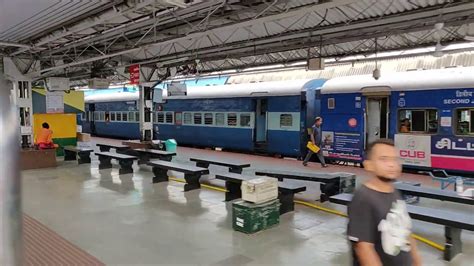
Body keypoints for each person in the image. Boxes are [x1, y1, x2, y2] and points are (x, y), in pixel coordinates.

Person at [347, 139, 421, 266]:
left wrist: (417, 262)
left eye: (395, 159)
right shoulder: (363, 199)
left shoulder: (394, 192)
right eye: (384, 159)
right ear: (368, 165)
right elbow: (364, 249)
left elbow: (406, 233)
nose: (392, 164)